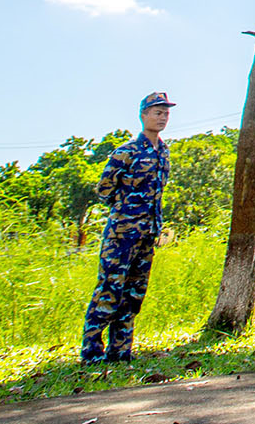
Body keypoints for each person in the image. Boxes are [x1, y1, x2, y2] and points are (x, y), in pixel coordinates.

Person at [80, 92, 173, 363]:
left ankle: (121, 351)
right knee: (109, 290)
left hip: (147, 234)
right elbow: (104, 189)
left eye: (166, 112)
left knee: (134, 294)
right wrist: (125, 212)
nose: (162, 116)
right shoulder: (126, 152)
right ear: (143, 115)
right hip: (121, 234)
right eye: (157, 112)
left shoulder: (164, 153)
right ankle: (92, 352)